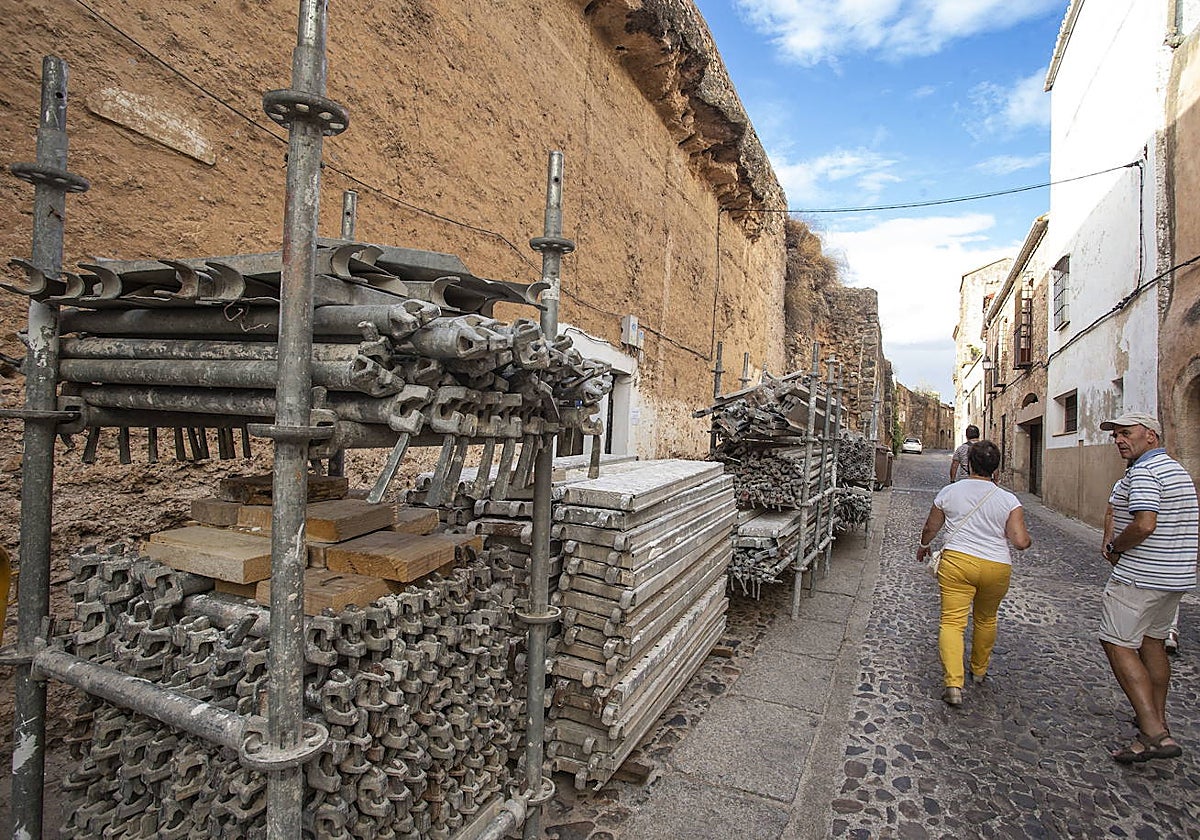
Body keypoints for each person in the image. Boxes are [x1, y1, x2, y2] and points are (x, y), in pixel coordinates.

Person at [1098, 412, 1197, 763]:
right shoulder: (1176, 470)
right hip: (1173, 578)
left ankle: (1154, 732)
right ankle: (1154, 727)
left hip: (1141, 577)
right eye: (1116, 435)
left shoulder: (1144, 473)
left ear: (1150, 436)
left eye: (1127, 434)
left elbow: (1144, 523)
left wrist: (1116, 547)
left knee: (1117, 643)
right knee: (1152, 644)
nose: (1120, 440)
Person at [917, 439, 1031, 706]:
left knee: (952, 622)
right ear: (996, 470)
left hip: (957, 563)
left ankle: (954, 684)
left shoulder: (950, 492)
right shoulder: (1008, 499)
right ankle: (979, 671)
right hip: (996, 567)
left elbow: (930, 527)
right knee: (986, 619)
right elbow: (1020, 541)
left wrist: (924, 546)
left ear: (968, 465)